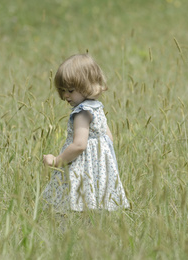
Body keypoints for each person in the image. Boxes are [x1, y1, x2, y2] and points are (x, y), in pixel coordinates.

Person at [42, 54, 130, 212]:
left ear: (87, 86)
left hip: (83, 167)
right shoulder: (97, 107)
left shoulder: (82, 113)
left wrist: (56, 161)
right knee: (94, 204)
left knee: (68, 204)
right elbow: (108, 137)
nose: (65, 95)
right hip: (99, 168)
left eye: (70, 90)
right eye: (62, 90)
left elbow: (79, 145)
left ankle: (66, 230)